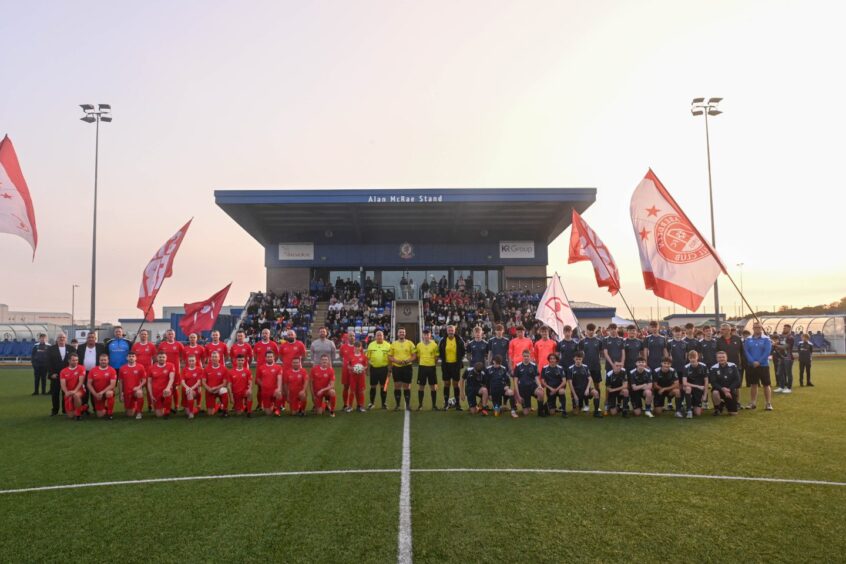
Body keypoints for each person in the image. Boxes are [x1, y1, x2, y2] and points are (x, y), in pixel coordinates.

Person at [743, 322, 774, 411]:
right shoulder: (748, 339)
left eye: (759, 327)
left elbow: (767, 352)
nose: (757, 329)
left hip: (763, 365)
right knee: (753, 384)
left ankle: (768, 403)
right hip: (752, 365)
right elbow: (746, 352)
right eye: (755, 327)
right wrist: (752, 361)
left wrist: (759, 362)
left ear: (761, 328)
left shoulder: (766, 339)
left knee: (766, 384)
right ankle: (753, 402)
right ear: (753, 328)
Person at [715, 323, 745, 407]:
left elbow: (742, 352)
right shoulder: (718, 340)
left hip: (736, 366)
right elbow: (716, 354)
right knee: (724, 384)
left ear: (729, 330)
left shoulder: (737, 339)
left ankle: (737, 402)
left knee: (737, 385)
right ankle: (725, 402)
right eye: (721, 329)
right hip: (723, 367)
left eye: (723, 329)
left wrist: (742, 364)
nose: (721, 331)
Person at [438, 325, 466, 411]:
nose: (450, 332)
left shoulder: (459, 339)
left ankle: (457, 404)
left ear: (454, 331)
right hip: (446, 365)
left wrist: (458, 361)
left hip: (455, 365)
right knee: (446, 383)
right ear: (447, 331)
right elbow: (440, 351)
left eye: (452, 330)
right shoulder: (442, 340)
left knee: (455, 384)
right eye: (449, 330)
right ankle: (446, 403)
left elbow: (463, 351)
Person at [77, 332, 106, 413]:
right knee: (85, 391)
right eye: (89, 337)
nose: (91, 339)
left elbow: (105, 359)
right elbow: (78, 360)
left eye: (92, 337)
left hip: (96, 373)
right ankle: (84, 409)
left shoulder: (101, 347)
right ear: (87, 338)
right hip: (84, 373)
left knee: (95, 390)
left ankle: (96, 408)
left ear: (95, 339)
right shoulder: (81, 347)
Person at [389, 327, 416, 411]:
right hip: (396, 368)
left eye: (403, 332)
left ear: (405, 333)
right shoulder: (393, 344)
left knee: (407, 386)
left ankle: (408, 405)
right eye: (400, 332)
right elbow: (389, 356)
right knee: (397, 386)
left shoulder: (410, 343)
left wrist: (407, 361)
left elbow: (414, 356)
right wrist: (396, 361)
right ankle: (397, 405)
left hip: (407, 367)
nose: (402, 334)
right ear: (397, 334)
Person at [157, 329, 185, 410]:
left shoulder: (179, 345)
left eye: (172, 334)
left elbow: (182, 357)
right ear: (166, 335)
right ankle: (164, 405)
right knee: (164, 386)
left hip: (175, 369)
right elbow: (159, 356)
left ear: (174, 335)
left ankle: (176, 405)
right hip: (163, 370)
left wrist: (181, 367)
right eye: (169, 334)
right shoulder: (162, 345)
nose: (170, 335)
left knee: (175, 387)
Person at [47, 333, 74, 416]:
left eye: (63, 337)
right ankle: (55, 410)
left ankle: (65, 409)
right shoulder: (51, 349)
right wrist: (51, 374)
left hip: (67, 376)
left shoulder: (71, 348)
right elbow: (48, 362)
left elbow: (74, 362)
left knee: (65, 393)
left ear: (66, 339)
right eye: (60, 337)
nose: (62, 339)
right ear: (57, 339)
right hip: (56, 376)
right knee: (55, 393)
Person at [568, 351, 601, 417]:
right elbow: (570, 383)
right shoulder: (570, 369)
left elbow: (590, 378)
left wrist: (587, 389)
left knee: (596, 393)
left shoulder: (585, 367)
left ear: (582, 359)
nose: (578, 361)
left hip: (586, 389)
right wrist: (574, 395)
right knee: (576, 413)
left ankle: (596, 412)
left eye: (579, 359)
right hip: (577, 391)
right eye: (576, 359)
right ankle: (580, 405)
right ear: (574, 359)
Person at [513, 350, 544, 417]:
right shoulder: (518, 366)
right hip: (523, 389)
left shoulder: (534, 365)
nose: (526, 357)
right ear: (522, 356)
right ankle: (528, 406)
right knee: (526, 413)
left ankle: (540, 412)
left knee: (541, 392)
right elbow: (515, 382)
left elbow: (536, 377)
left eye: (527, 356)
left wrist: (539, 386)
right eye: (524, 356)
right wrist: (518, 396)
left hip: (532, 387)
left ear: (530, 356)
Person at [366, 330, 392, 410]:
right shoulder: (371, 345)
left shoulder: (388, 345)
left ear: (383, 336)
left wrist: (390, 370)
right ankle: (371, 403)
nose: (379, 337)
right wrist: (367, 369)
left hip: (384, 369)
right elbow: (367, 358)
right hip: (374, 369)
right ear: (375, 336)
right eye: (378, 335)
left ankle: (383, 404)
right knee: (373, 386)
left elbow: (390, 359)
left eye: (381, 335)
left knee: (384, 387)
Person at [710, 351, 741, 416]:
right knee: (715, 392)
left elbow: (737, 380)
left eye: (723, 357)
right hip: (719, 390)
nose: (721, 359)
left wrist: (729, 389)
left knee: (733, 413)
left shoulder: (733, 365)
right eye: (719, 357)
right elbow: (713, 382)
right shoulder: (713, 368)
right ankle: (717, 409)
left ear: (726, 357)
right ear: (717, 359)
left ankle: (724, 403)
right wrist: (722, 389)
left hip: (730, 390)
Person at [87, 353, 117, 419]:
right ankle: (105, 407)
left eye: (105, 360)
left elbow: (112, 385)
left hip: (106, 392)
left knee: (109, 393)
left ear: (108, 360)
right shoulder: (93, 370)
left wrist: (102, 392)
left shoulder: (112, 370)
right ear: (99, 360)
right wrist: (95, 394)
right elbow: (89, 384)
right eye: (101, 360)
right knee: (100, 415)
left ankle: (110, 413)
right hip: (97, 394)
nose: (103, 361)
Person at [415, 329, 439, 410]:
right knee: (421, 386)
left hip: (431, 367)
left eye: (427, 334)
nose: (426, 336)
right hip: (422, 367)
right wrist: (422, 363)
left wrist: (432, 363)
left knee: (433, 386)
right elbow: (418, 356)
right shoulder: (419, 345)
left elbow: (436, 357)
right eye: (424, 335)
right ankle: (420, 405)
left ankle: (434, 406)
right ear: (422, 335)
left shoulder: (434, 345)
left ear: (430, 335)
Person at [119, 351, 147, 419]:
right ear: (127, 358)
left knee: (139, 393)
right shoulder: (122, 368)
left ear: (136, 358)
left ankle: (139, 412)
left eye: (133, 356)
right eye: (129, 356)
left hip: (136, 391)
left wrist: (139, 387)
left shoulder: (140, 367)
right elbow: (120, 382)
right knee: (129, 414)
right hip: (127, 392)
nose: (131, 358)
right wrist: (121, 394)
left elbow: (144, 380)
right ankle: (134, 406)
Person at [148, 351, 176, 418]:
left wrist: (168, 388)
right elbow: (149, 382)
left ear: (166, 358)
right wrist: (151, 394)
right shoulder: (151, 368)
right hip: (156, 391)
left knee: (167, 392)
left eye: (163, 357)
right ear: (157, 358)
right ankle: (166, 406)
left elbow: (171, 378)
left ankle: (167, 410)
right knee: (159, 415)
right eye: (160, 357)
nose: (161, 358)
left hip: (165, 390)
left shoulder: (170, 365)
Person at [577, 323, 604, 394]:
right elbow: (579, 355)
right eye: (589, 330)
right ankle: (586, 404)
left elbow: (602, 353)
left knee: (597, 386)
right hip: (585, 367)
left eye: (592, 330)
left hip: (596, 367)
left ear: (594, 330)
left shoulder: (599, 341)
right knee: (585, 385)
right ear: (586, 330)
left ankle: (597, 402)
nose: (591, 331)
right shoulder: (582, 342)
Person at [59, 353, 87, 420]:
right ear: (69, 361)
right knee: (70, 416)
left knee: (76, 395)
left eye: (77, 360)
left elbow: (81, 382)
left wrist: (75, 391)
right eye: (73, 360)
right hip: (68, 392)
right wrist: (66, 392)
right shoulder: (63, 371)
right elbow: (63, 384)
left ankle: (78, 415)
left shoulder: (81, 368)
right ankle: (84, 407)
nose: (75, 362)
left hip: (79, 390)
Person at [682, 350, 709, 418]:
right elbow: (684, 383)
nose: (692, 359)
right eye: (691, 357)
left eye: (694, 357)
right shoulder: (686, 367)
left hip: (699, 390)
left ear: (697, 357)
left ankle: (692, 405)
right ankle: (689, 410)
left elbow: (706, 382)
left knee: (697, 413)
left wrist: (705, 395)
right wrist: (697, 386)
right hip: (691, 388)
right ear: (688, 358)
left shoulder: (703, 366)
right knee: (687, 388)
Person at [203, 351, 230, 416]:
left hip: (219, 389)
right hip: (210, 391)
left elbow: (224, 383)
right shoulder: (206, 369)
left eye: (215, 357)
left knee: (224, 390)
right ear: (210, 358)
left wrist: (216, 388)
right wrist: (209, 389)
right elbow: (203, 381)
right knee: (210, 414)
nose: (214, 358)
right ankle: (219, 405)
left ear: (219, 358)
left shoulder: (224, 368)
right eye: (212, 357)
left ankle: (225, 410)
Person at [256, 351, 284, 416]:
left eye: (271, 357)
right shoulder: (261, 368)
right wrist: (263, 385)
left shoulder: (278, 367)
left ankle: (277, 410)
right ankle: (272, 405)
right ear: (265, 358)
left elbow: (279, 378)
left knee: (279, 394)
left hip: (274, 391)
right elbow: (258, 379)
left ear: (273, 357)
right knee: (268, 413)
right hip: (265, 392)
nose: (269, 358)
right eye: (268, 357)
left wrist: (279, 388)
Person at [180, 354, 203, 419]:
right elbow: (182, 381)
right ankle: (196, 409)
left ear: (195, 361)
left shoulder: (199, 369)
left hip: (195, 390)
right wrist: (187, 388)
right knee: (186, 412)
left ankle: (191, 413)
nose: (191, 362)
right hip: (186, 390)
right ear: (188, 361)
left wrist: (191, 389)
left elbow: (198, 382)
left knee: (190, 393)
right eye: (190, 361)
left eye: (193, 361)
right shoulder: (184, 370)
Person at [338, 332, 355, 411]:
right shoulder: (343, 347)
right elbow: (341, 356)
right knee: (346, 387)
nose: (352, 337)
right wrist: (346, 363)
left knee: (355, 388)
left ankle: (357, 405)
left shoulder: (358, 346)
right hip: (346, 370)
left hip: (355, 370)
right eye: (350, 336)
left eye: (353, 336)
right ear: (347, 337)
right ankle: (345, 404)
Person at [776, 324, 795, 394]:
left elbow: (785, 347)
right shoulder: (781, 337)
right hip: (781, 357)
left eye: (785, 328)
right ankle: (781, 387)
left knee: (788, 373)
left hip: (788, 358)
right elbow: (778, 343)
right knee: (780, 373)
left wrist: (776, 345)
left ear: (789, 329)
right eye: (783, 328)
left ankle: (789, 388)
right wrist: (775, 343)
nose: (784, 329)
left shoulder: (790, 338)